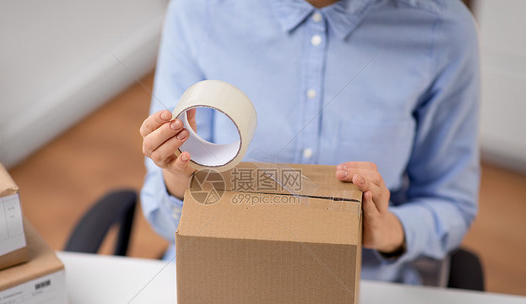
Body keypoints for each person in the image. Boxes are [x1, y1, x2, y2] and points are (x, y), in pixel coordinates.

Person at [140, 0, 480, 284]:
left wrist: (389, 231)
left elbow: (451, 202)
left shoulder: (441, 29)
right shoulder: (200, 10)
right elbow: (161, 216)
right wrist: (177, 178)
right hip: (220, 274)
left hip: (363, 285)